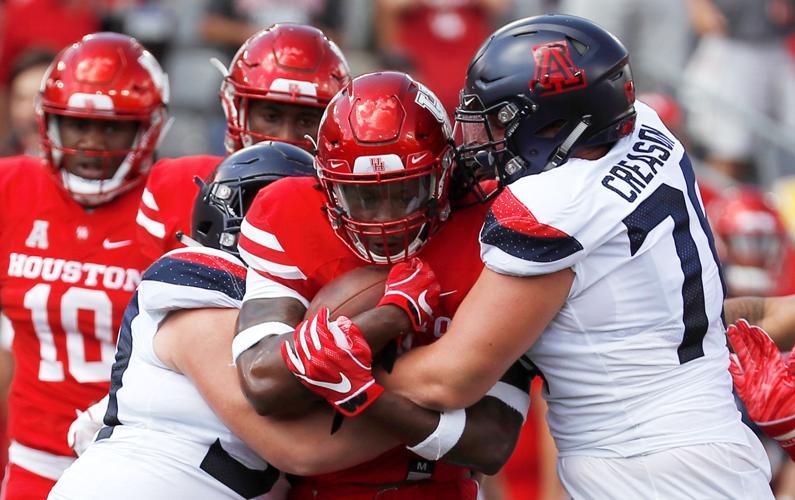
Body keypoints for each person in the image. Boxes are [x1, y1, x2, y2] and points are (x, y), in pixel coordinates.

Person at [268, 15, 774, 498]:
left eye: (499, 121)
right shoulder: (648, 127)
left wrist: (348, 369)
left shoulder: (550, 208)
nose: (481, 140)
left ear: (561, 126)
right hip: (714, 435)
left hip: (641, 464)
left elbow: (450, 378)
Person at [233, 71, 532, 498]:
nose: (385, 218)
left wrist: (361, 393)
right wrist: (387, 319)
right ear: (327, 187)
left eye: (406, 191)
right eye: (365, 197)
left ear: (445, 173)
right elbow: (264, 384)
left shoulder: (493, 229)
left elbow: (491, 441)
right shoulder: (287, 211)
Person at [0, 32, 169, 500]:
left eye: (112, 128)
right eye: (77, 124)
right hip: (34, 459)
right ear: (48, 121)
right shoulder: (11, 186)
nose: (92, 143)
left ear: (149, 127)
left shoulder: (174, 195)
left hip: (141, 464)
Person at [136, 22, 350, 260]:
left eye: (306, 121)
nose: (286, 137)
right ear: (237, 111)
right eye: (271, 117)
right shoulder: (174, 184)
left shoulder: (353, 208)